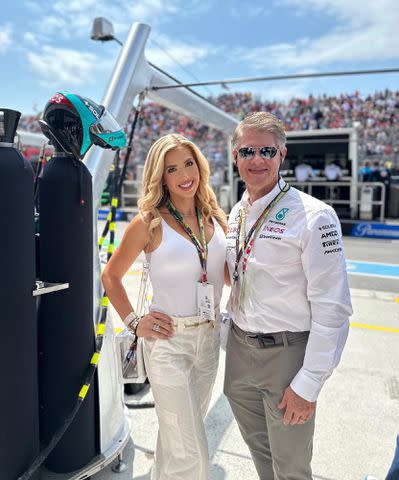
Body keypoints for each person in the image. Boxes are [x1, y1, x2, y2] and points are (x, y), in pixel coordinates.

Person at [224, 112, 352, 480]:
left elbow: (333, 309)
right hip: (240, 351)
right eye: (247, 151)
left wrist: (309, 383)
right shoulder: (237, 213)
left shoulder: (315, 216)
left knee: (292, 469)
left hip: (288, 357)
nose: (257, 159)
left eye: (267, 150)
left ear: (282, 154)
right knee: (262, 457)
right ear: (236, 157)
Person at [102, 133, 227, 480]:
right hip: (168, 342)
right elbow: (111, 277)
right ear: (161, 177)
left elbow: (231, 276)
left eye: (189, 163)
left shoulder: (215, 217)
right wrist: (134, 322)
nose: (185, 174)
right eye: (172, 169)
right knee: (190, 449)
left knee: (179, 437)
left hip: (209, 341)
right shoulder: (149, 222)